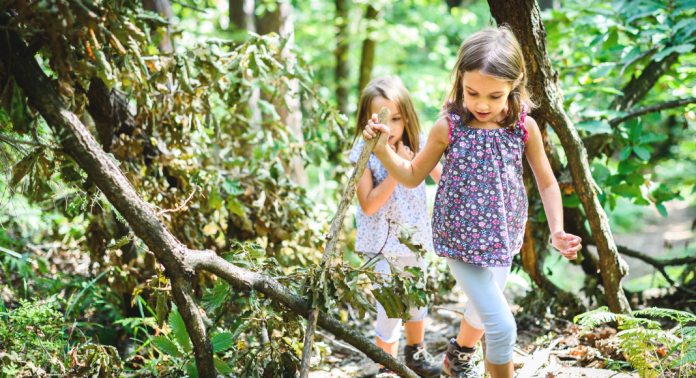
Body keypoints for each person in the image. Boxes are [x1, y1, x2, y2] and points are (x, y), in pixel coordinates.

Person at [362, 27, 583, 378]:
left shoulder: (524, 128)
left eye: (495, 96)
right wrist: (383, 151)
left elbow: (546, 181)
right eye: (472, 92)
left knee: (481, 314)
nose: (482, 104)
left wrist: (557, 230)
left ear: (516, 82)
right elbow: (411, 175)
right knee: (503, 328)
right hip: (459, 241)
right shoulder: (448, 127)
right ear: (459, 79)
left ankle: (458, 357)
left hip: (503, 239)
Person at [349, 75, 444, 378]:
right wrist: (396, 168)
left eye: (397, 118)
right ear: (368, 120)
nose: (389, 127)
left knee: (415, 303)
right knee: (389, 311)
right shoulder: (364, 152)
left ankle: (415, 356)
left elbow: (443, 180)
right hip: (380, 245)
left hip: (412, 241)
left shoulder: (418, 145)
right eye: (381, 119)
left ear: (407, 119)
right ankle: (386, 368)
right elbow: (368, 203)